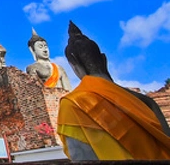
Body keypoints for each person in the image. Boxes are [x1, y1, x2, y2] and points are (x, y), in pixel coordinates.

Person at [57, 21, 170, 160]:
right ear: (104, 59)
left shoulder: (75, 104)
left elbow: (81, 158)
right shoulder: (145, 101)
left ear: (73, 65)